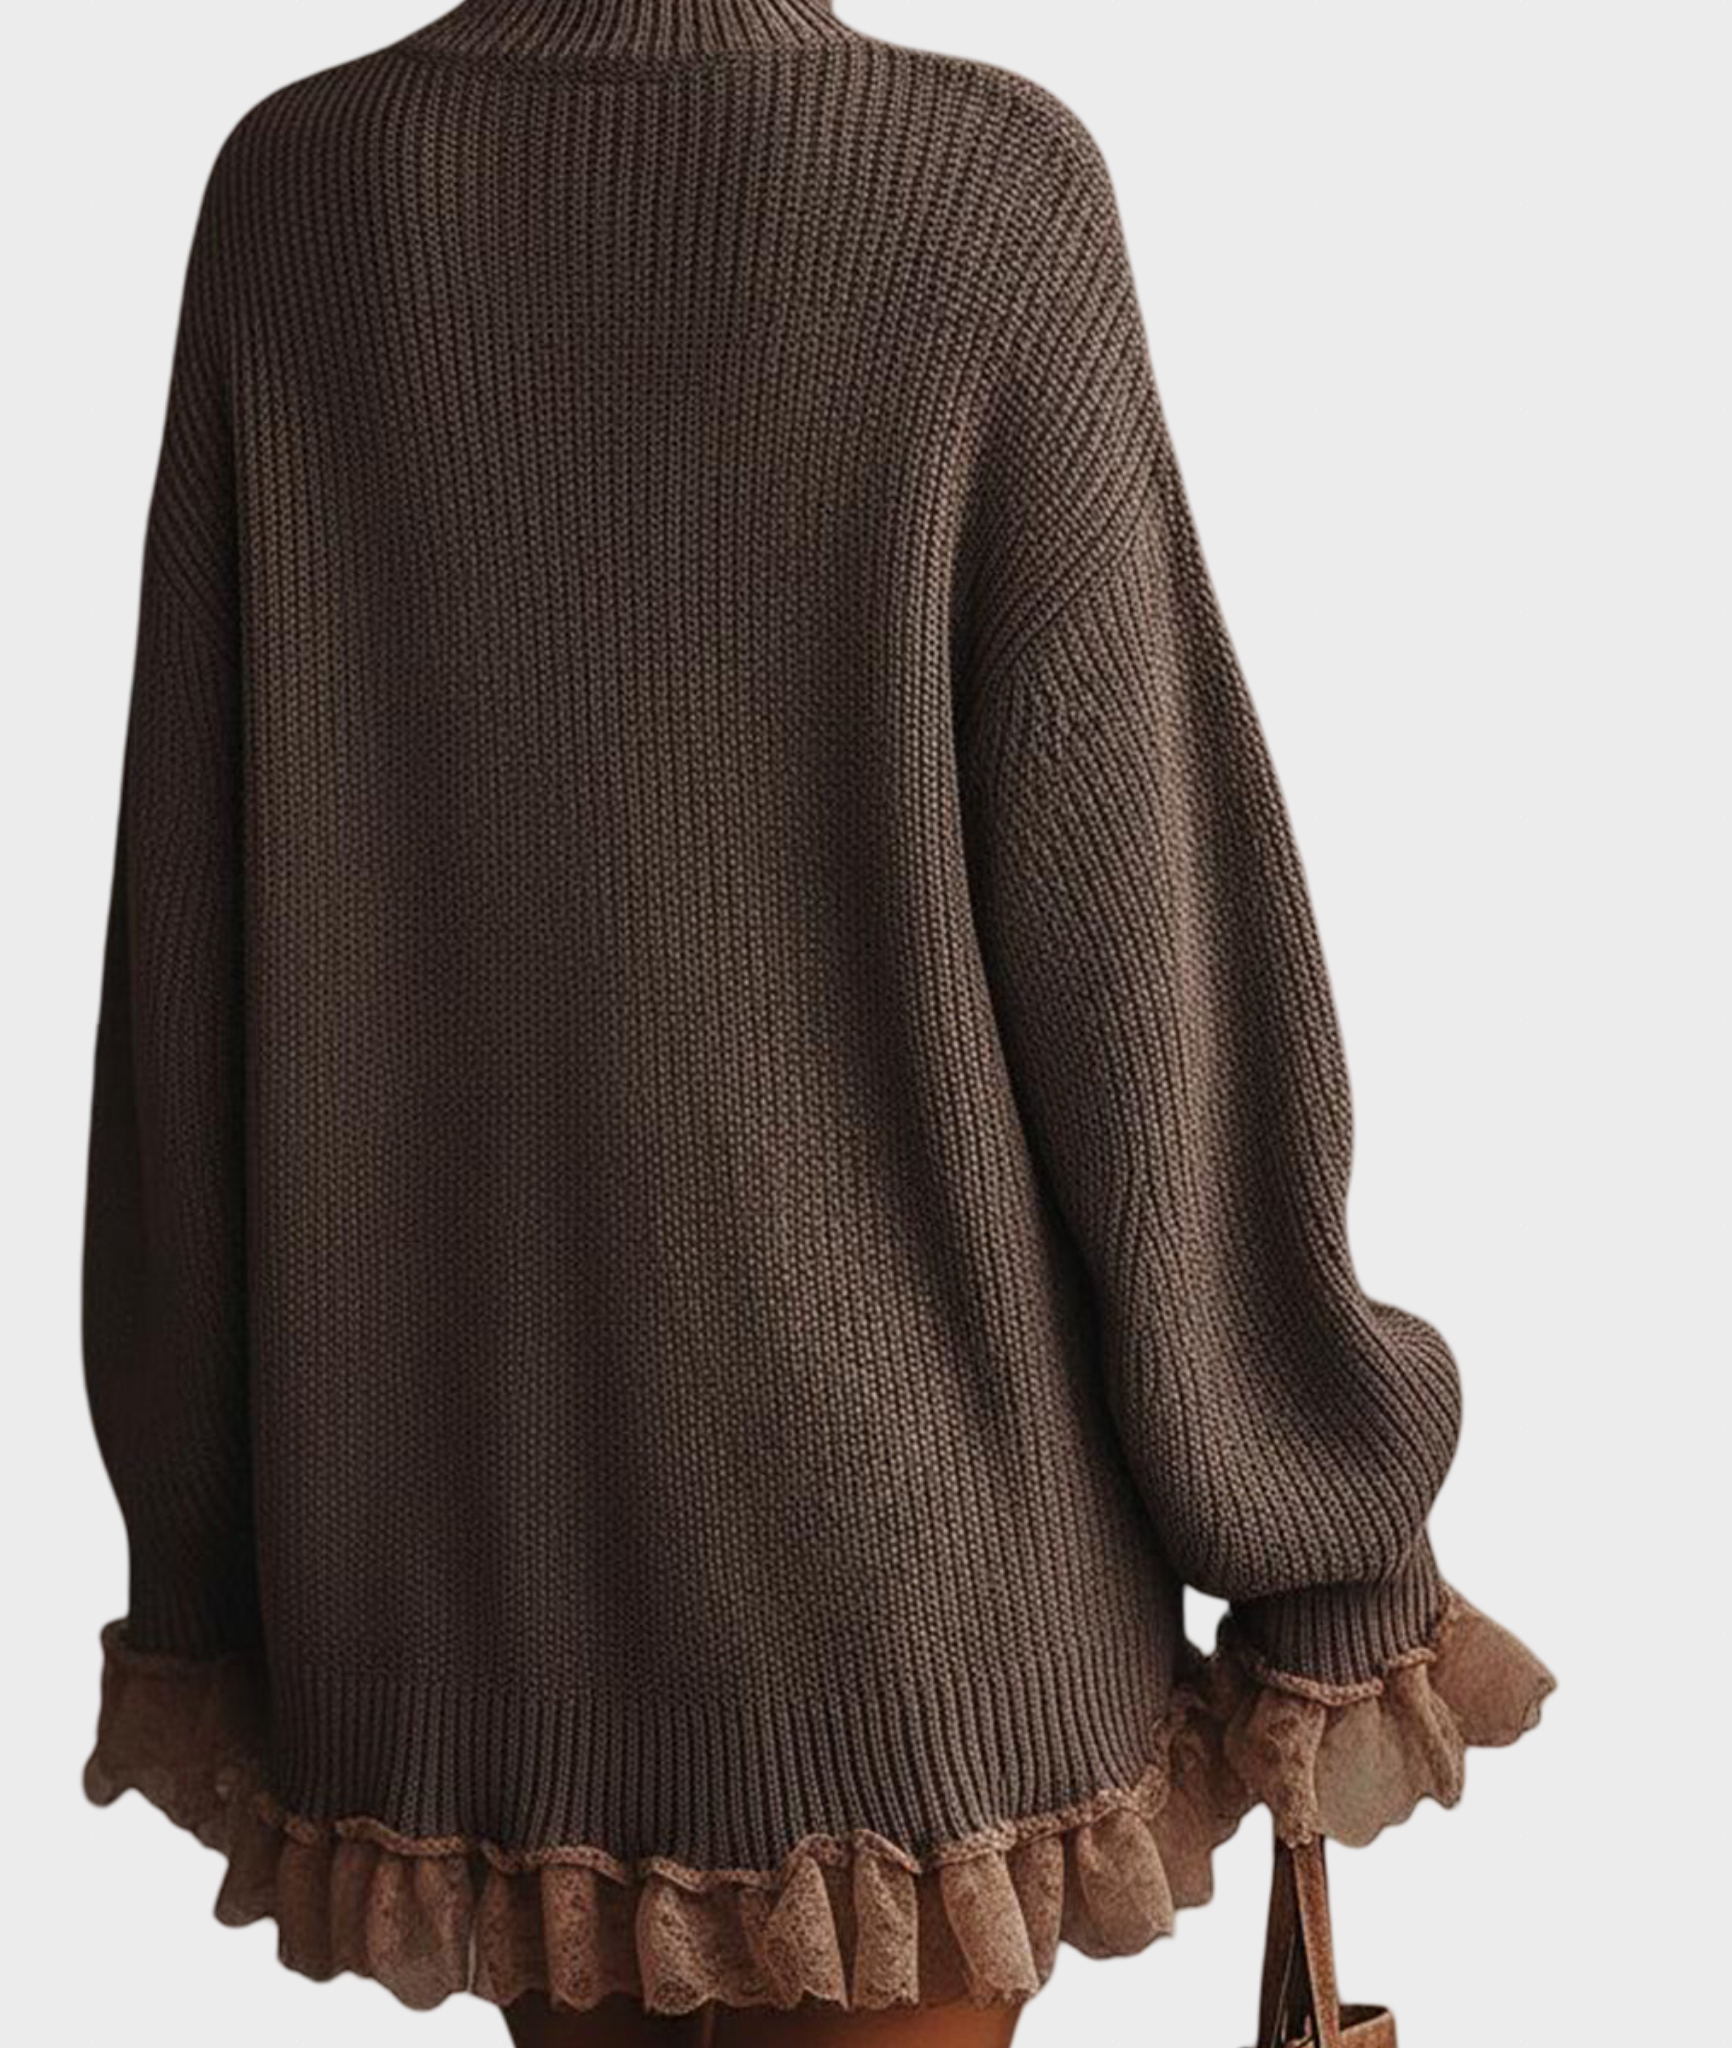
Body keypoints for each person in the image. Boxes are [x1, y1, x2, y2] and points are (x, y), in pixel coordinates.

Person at [76, 0, 1555, 2038]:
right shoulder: (974, 193)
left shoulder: (300, 199)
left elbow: (189, 962)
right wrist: (1319, 1523)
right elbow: (1146, 957)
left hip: (454, 1586)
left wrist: (204, 1543)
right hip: (899, 1604)